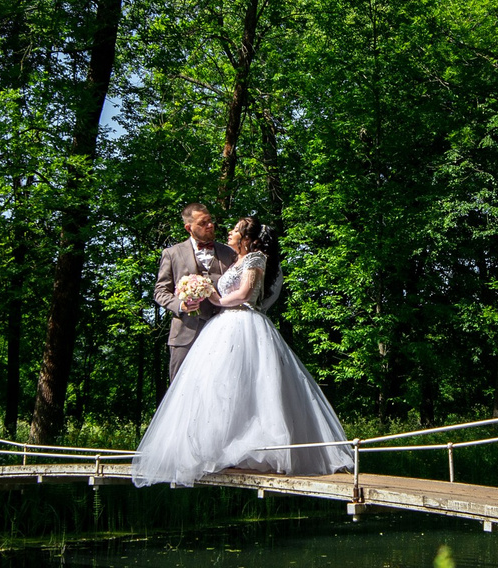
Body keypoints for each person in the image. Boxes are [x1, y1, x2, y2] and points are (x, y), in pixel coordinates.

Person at [133, 216, 354, 486]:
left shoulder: (255, 259)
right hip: (223, 326)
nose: (228, 232)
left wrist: (213, 296)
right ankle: (218, 450)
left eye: (235, 230)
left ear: (246, 238)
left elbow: (245, 294)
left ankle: (258, 452)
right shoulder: (236, 259)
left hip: (244, 323)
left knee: (253, 388)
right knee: (218, 389)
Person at [152, 203, 236, 385]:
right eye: (203, 222)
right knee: (179, 389)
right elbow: (160, 291)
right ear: (189, 228)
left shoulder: (228, 253)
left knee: (219, 387)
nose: (210, 225)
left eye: (210, 221)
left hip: (222, 332)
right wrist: (180, 305)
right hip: (185, 333)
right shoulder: (172, 253)